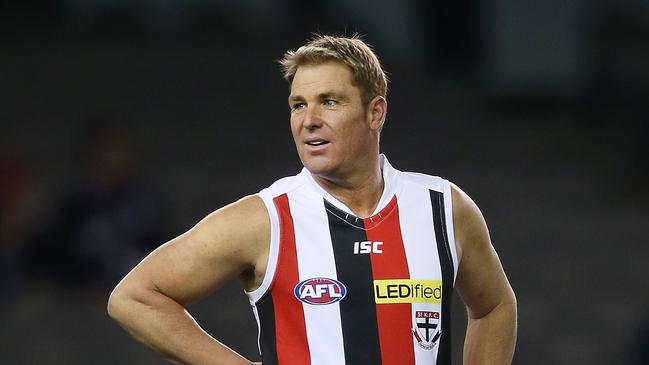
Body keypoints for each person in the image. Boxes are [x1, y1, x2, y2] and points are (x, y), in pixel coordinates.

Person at [108, 34, 517, 365]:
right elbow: (135, 297)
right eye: (298, 105)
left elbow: (494, 306)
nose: (309, 120)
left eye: (330, 102)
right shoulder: (264, 219)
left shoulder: (443, 206)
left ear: (375, 113)